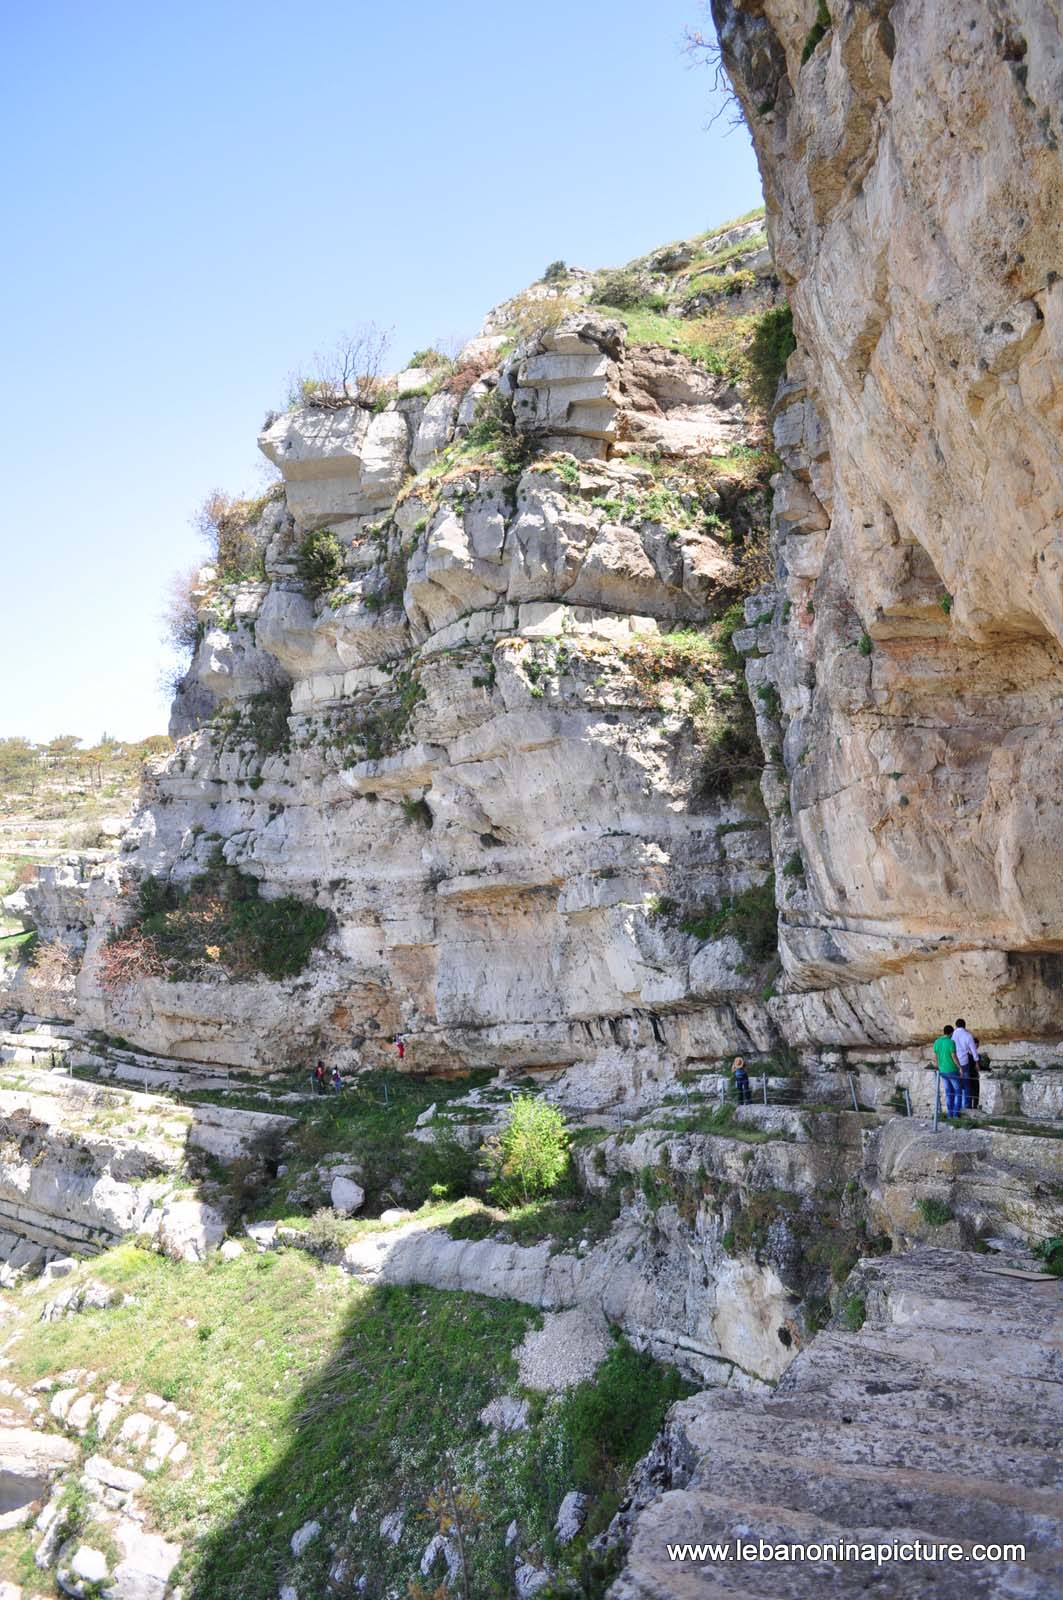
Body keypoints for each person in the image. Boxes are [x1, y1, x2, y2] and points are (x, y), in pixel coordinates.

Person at [932, 1026, 962, 1118]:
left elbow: (935, 1057)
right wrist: (960, 1067)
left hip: (943, 1071)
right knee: (958, 1092)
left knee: (949, 1092)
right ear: (951, 1033)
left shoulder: (937, 1042)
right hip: (952, 1070)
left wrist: (938, 1066)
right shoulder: (951, 1042)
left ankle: (950, 1115)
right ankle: (956, 1114)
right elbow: (954, 1056)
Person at [953, 1018, 979, 1111]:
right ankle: (967, 1106)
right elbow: (973, 1050)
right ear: (965, 1025)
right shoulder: (968, 1035)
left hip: (954, 1063)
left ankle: (957, 1107)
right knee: (967, 1085)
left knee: (956, 1086)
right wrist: (976, 1062)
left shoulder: (952, 1035)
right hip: (964, 1062)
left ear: (956, 1025)